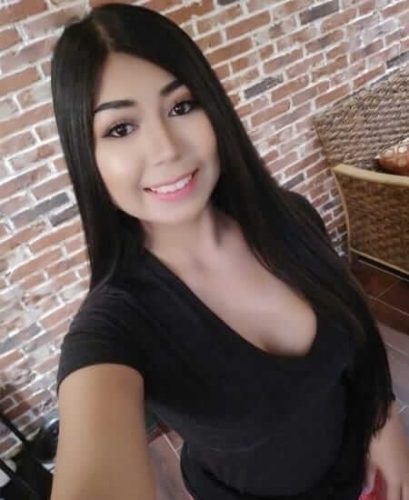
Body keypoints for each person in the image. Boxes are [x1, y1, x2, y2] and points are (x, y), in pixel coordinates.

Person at [49, 3, 409, 500]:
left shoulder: (292, 217)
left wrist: (383, 419)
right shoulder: (114, 328)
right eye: (120, 128)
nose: (167, 149)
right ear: (86, 156)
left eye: (181, 106)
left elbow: (358, 331)